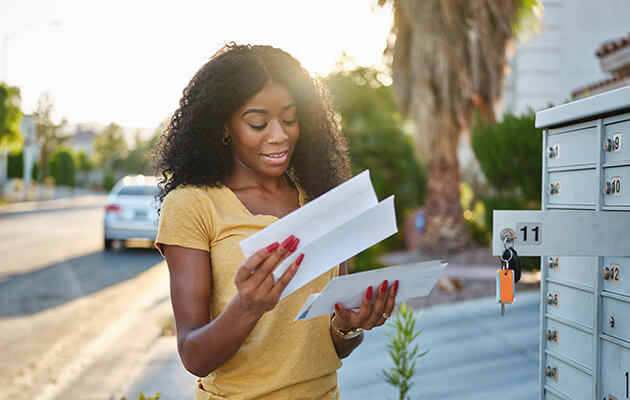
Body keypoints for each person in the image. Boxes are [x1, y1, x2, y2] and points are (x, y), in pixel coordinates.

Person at [153, 43, 399, 400]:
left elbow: (329, 346)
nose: (279, 135)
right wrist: (247, 307)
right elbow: (194, 355)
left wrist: (347, 326)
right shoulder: (193, 205)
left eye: (289, 118)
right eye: (257, 123)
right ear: (224, 127)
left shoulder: (319, 197)